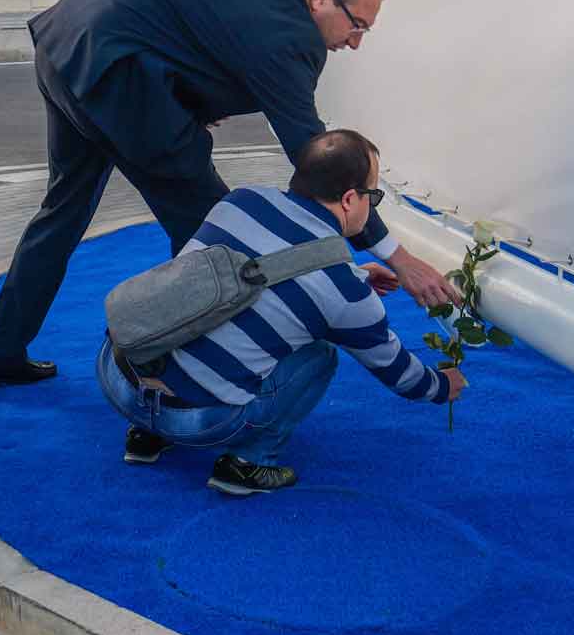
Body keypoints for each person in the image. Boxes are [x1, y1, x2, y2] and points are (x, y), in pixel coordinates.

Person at [0, 0, 460, 389]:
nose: (356, 43)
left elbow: (187, 29)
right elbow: (322, 166)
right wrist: (398, 259)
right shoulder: (292, 38)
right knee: (221, 239)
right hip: (119, 79)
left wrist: (193, 105)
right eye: (357, 25)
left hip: (67, 42)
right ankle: (162, 378)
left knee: (61, 215)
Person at [99, 130, 464, 495]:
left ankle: (145, 436)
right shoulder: (345, 294)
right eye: (374, 195)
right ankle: (247, 464)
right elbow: (401, 376)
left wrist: (356, 277)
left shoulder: (242, 200)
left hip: (115, 375)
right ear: (351, 199)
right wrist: (443, 385)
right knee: (319, 356)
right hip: (195, 422)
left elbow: (238, 279)